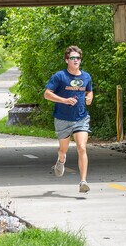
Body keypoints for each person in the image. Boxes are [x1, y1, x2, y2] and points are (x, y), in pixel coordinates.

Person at [44, 45, 94, 193]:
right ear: (67, 60)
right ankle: (61, 160)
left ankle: (83, 181)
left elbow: (89, 91)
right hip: (62, 119)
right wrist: (64, 100)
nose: (76, 60)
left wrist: (89, 98)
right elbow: (47, 94)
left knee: (82, 147)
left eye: (78, 58)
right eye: (72, 58)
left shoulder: (86, 76)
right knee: (63, 149)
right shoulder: (60, 76)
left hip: (81, 118)